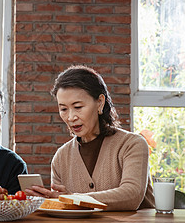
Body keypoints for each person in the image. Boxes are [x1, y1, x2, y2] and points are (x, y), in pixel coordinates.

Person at [25, 65, 155, 211]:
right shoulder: (61, 158)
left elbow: (132, 195)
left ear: (100, 102)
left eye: (78, 107)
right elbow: (64, 207)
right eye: (63, 109)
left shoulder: (132, 144)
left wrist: (74, 198)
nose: (71, 117)